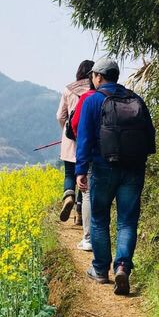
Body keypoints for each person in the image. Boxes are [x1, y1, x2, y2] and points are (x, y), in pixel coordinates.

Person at [75, 58, 156, 295]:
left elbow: (85, 138)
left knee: (100, 219)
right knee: (127, 221)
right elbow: (150, 135)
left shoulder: (93, 101)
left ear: (98, 77)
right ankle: (122, 266)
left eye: (93, 76)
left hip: (103, 167)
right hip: (133, 168)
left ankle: (100, 270)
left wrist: (81, 169)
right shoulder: (136, 99)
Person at [56, 60, 94, 222]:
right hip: (90, 138)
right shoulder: (95, 90)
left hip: (70, 139)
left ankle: (68, 195)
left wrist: (66, 130)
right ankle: (79, 214)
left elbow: (60, 116)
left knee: (70, 173)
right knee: (84, 175)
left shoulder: (68, 90)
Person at [70, 80, 96, 252]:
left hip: (93, 154)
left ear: (98, 77)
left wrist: (80, 168)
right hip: (122, 158)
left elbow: (75, 125)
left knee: (87, 195)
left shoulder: (87, 98)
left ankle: (89, 238)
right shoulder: (126, 97)